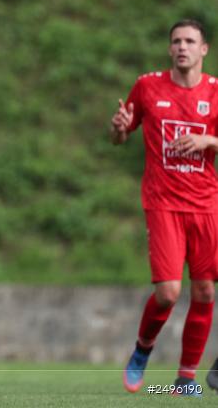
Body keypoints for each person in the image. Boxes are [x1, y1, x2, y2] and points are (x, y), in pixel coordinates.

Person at [111, 19, 218, 397]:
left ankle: (186, 381)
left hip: (206, 204)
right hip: (163, 203)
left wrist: (208, 139)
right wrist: (121, 128)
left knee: (204, 291)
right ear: (169, 48)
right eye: (176, 41)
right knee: (169, 293)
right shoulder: (147, 85)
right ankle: (142, 349)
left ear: (204, 49)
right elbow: (120, 136)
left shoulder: (216, 92)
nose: (182, 47)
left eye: (190, 41)